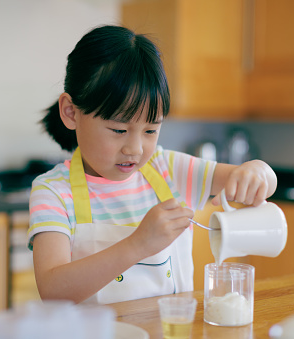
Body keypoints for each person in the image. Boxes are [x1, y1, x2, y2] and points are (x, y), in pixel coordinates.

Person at [28, 25, 277, 305]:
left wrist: (257, 171)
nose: (134, 149)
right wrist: (138, 245)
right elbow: (52, 290)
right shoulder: (53, 192)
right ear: (71, 113)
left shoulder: (168, 169)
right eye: (119, 130)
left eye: (150, 130)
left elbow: (259, 180)